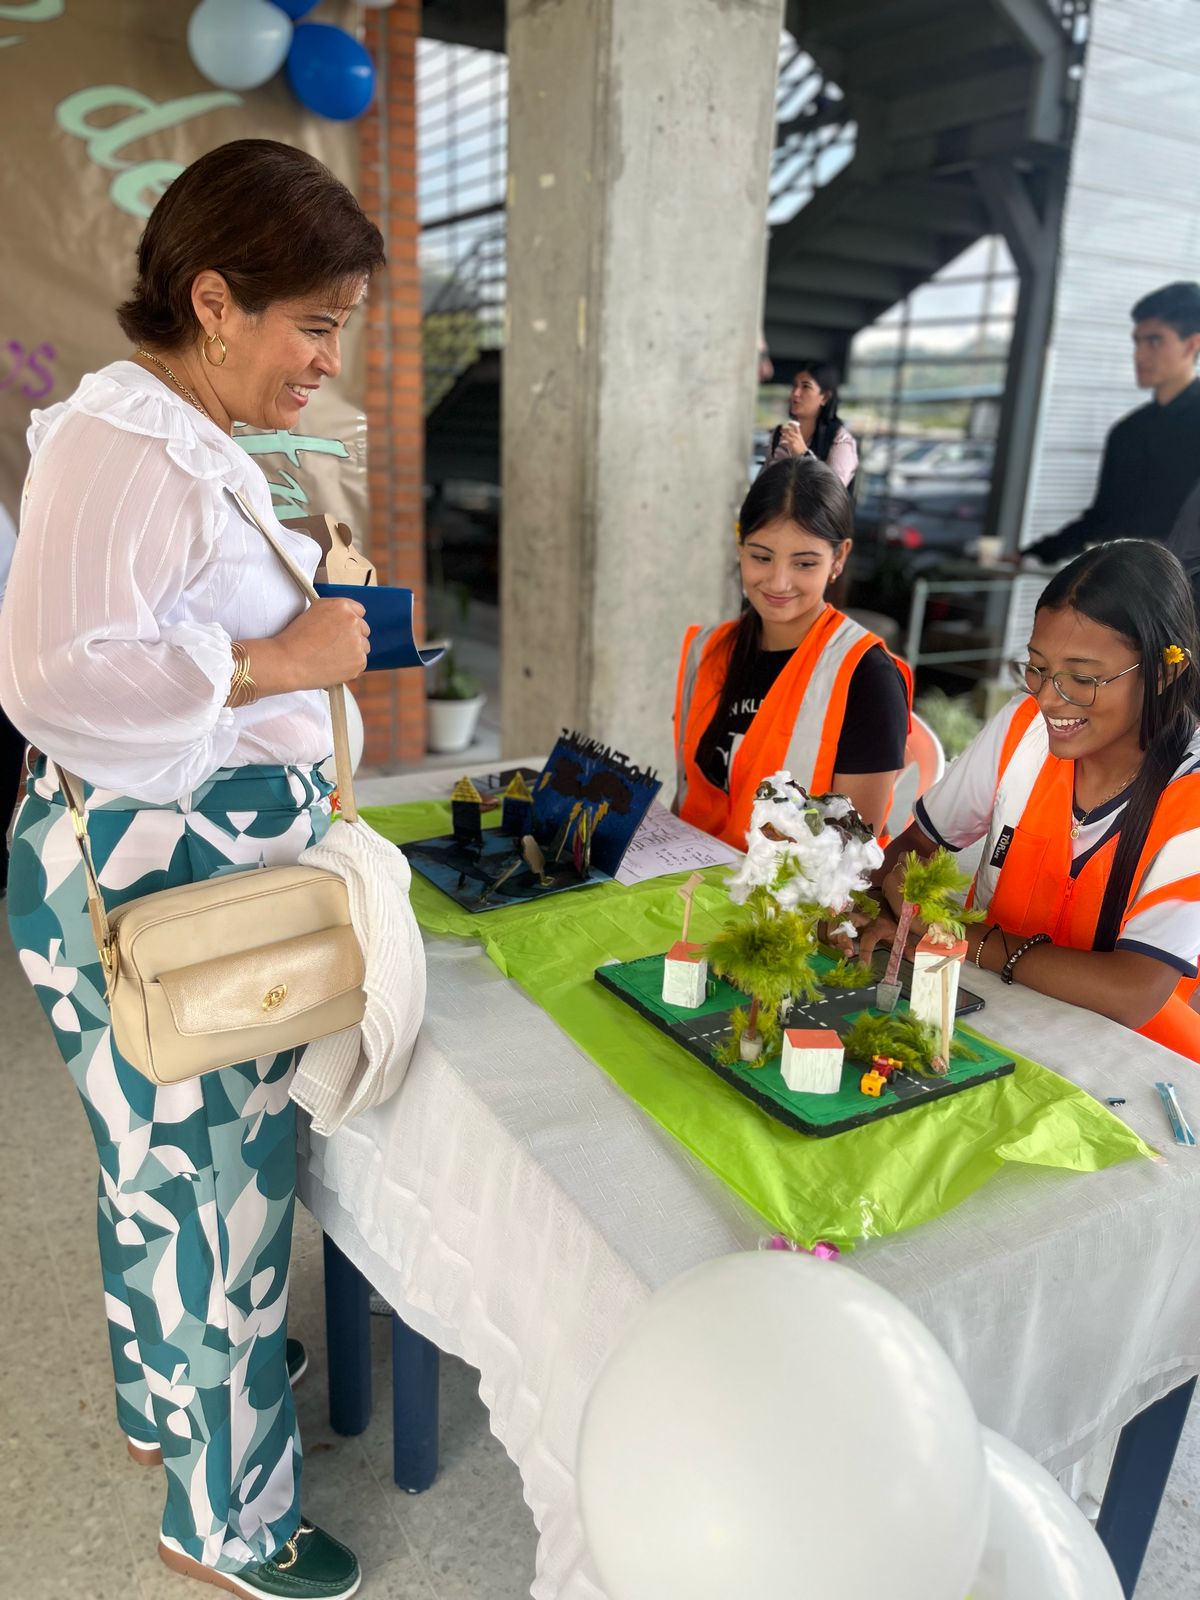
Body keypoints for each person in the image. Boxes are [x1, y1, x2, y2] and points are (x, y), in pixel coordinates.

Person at [0, 140, 382, 1599]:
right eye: (314, 326)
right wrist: (284, 655)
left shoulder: (169, 430)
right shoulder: (129, 440)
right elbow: (51, 673)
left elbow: (157, 604)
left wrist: (299, 594)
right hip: (164, 884)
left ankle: (171, 1411)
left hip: (159, 871)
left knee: (157, 1176)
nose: (326, 364)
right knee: (218, 1194)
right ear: (215, 300)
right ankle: (229, 1527)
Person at [860, 542, 1200, 1060]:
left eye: (1082, 678)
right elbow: (914, 846)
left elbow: (1132, 992)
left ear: (1163, 672)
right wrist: (891, 910)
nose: (1047, 698)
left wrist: (961, 938)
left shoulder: (1191, 796)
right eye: (1037, 667)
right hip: (983, 1018)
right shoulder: (1023, 729)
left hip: (1123, 1060)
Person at [673, 455, 911, 847]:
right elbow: (689, 800)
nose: (778, 582)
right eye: (761, 557)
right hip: (686, 884)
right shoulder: (708, 650)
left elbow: (851, 853)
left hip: (792, 901)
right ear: (740, 546)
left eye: (804, 563)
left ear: (839, 558)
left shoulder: (865, 676)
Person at [1024, 282, 1200, 565]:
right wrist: (1034, 554)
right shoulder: (1127, 432)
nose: (1139, 355)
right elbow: (1103, 519)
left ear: (1192, 344)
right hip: (1126, 590)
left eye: (1155, 341)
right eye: (1137, 341)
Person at [760, 360, 858, 488]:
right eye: (795, 386)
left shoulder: (840, 441)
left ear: (825, 397)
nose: (795, 393)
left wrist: (803, 455)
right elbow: (762, 486)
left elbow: (833, 493)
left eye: (805, 386)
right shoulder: (779, 434)